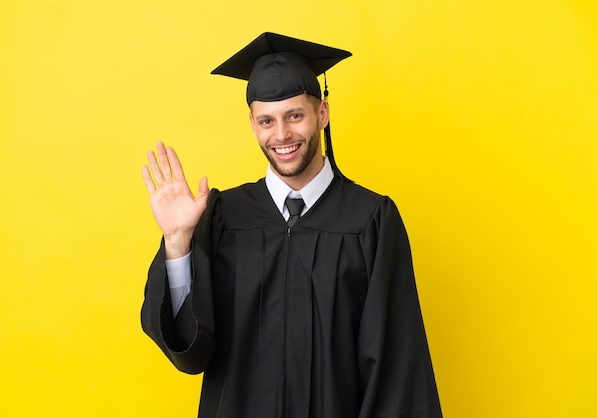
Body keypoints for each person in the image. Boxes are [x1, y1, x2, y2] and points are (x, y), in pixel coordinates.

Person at [140, 32, 442, 418]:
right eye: (267, 120)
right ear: (252, 123)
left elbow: (398, 367)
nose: (281, 135)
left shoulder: (370, 221)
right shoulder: (222, 216)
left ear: (322, 114)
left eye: (294, 116)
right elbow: (191, 349)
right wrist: (178, 242)